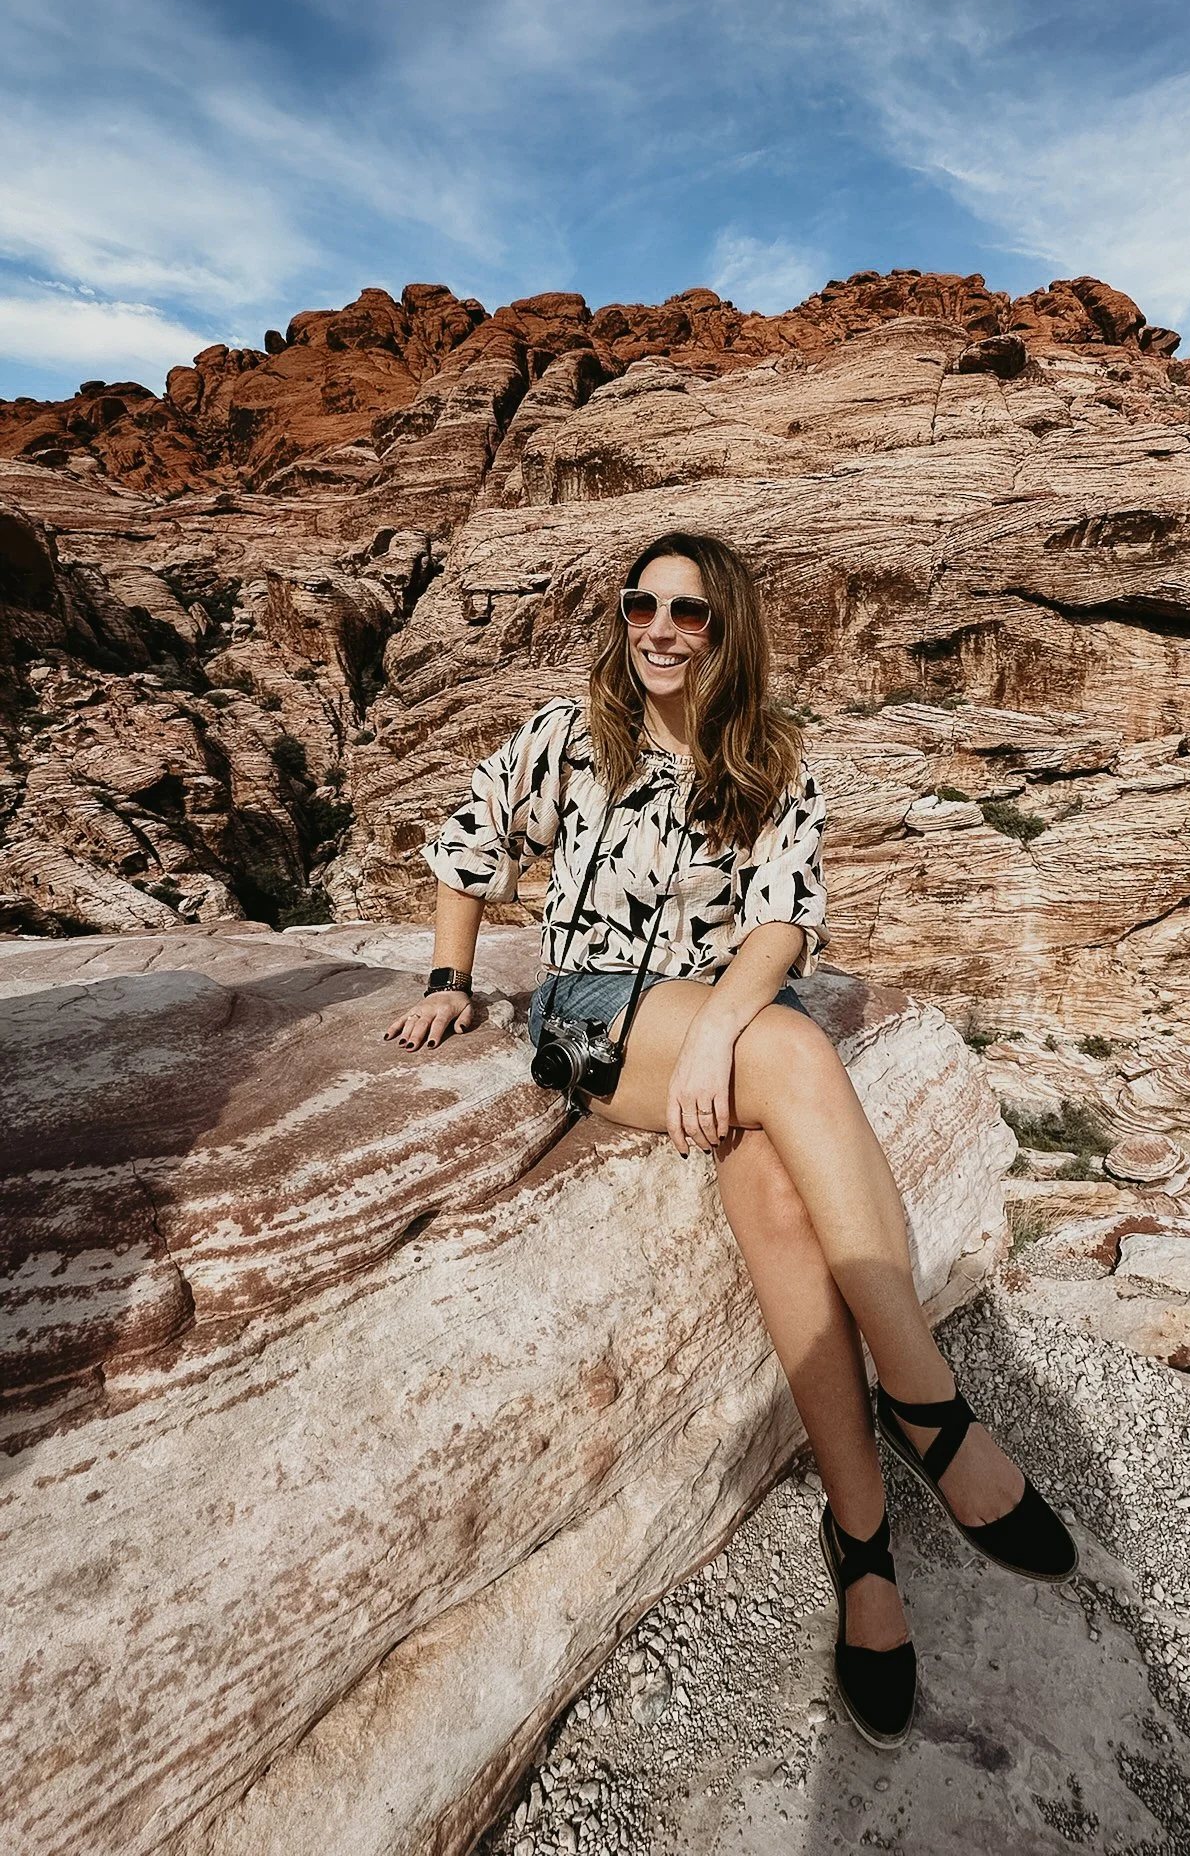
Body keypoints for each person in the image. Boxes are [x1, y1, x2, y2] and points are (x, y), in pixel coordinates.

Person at [386, 530, 1075, 1750]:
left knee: (776, 1187)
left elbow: (781, 922)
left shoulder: (769, 757)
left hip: (730, 1021)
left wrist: (716, 1034)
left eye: (688, 611)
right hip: (596, 1013)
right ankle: (932, 1409)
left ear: (726, 629)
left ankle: (862, 1539)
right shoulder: (570, 734)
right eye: (641, 604)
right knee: (797, 1056)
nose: (659, 628)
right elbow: (468, 839)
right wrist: (451, 975)